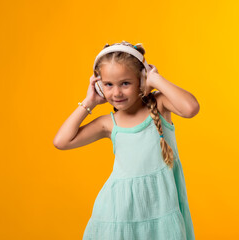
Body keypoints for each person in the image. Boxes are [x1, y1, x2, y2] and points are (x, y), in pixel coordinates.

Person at [53, 40, 200, 239]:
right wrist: (89, 102)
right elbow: (61, 141)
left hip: (160, 209)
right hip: (117, 213)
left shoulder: (160, 104)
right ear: (99, 85)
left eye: (125, 83)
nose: (117, 92)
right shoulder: (108, 123)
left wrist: (155, 80)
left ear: (141, 79)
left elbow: (191, 108)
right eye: (108, 85)